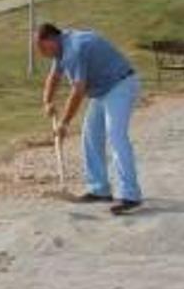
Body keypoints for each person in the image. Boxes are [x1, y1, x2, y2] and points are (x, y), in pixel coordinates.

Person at [36, 22, 143, 215]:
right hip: (103, 91)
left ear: (50, 40)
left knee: (116, 136)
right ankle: (99, 189)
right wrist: (47, 101)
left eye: (42, 48)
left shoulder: (74, 48)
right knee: (90, 136)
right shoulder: (61, 47)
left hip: (120, 84)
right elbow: (54, 76)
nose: (41, 53)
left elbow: (78, 91)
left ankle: (131, 194)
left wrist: (64, 123)